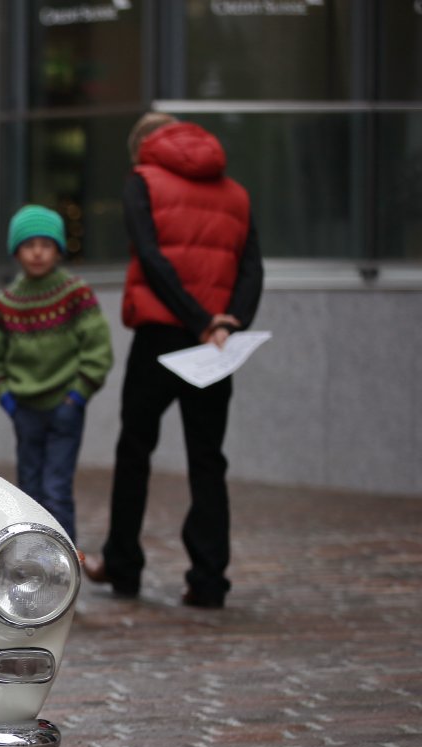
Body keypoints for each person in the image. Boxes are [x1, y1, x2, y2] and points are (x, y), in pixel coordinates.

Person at [83, 113, 262, 609]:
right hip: (216, 345)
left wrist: (197, 320)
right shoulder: (237, 193)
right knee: (208, 459)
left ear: (144, 145)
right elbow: (252, 268)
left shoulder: (141, 181)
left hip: (161, 336)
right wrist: (227, 325)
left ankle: (122, 566)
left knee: (134, 450)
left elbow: (151, 257)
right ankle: (209, 581)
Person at [0, 205, 112, 545]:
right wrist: (9, 402)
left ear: (58, 250)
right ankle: (32, 558)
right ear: (16, 251)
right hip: (24, 410)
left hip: (65, 407)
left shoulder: (75, 293)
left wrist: (77, 396)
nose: (38, 252)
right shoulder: (7, 302)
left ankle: (63, 559)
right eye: (29, 245)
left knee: (56, 488)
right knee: (29, 491)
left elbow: (98, 350)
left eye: (46, 244)